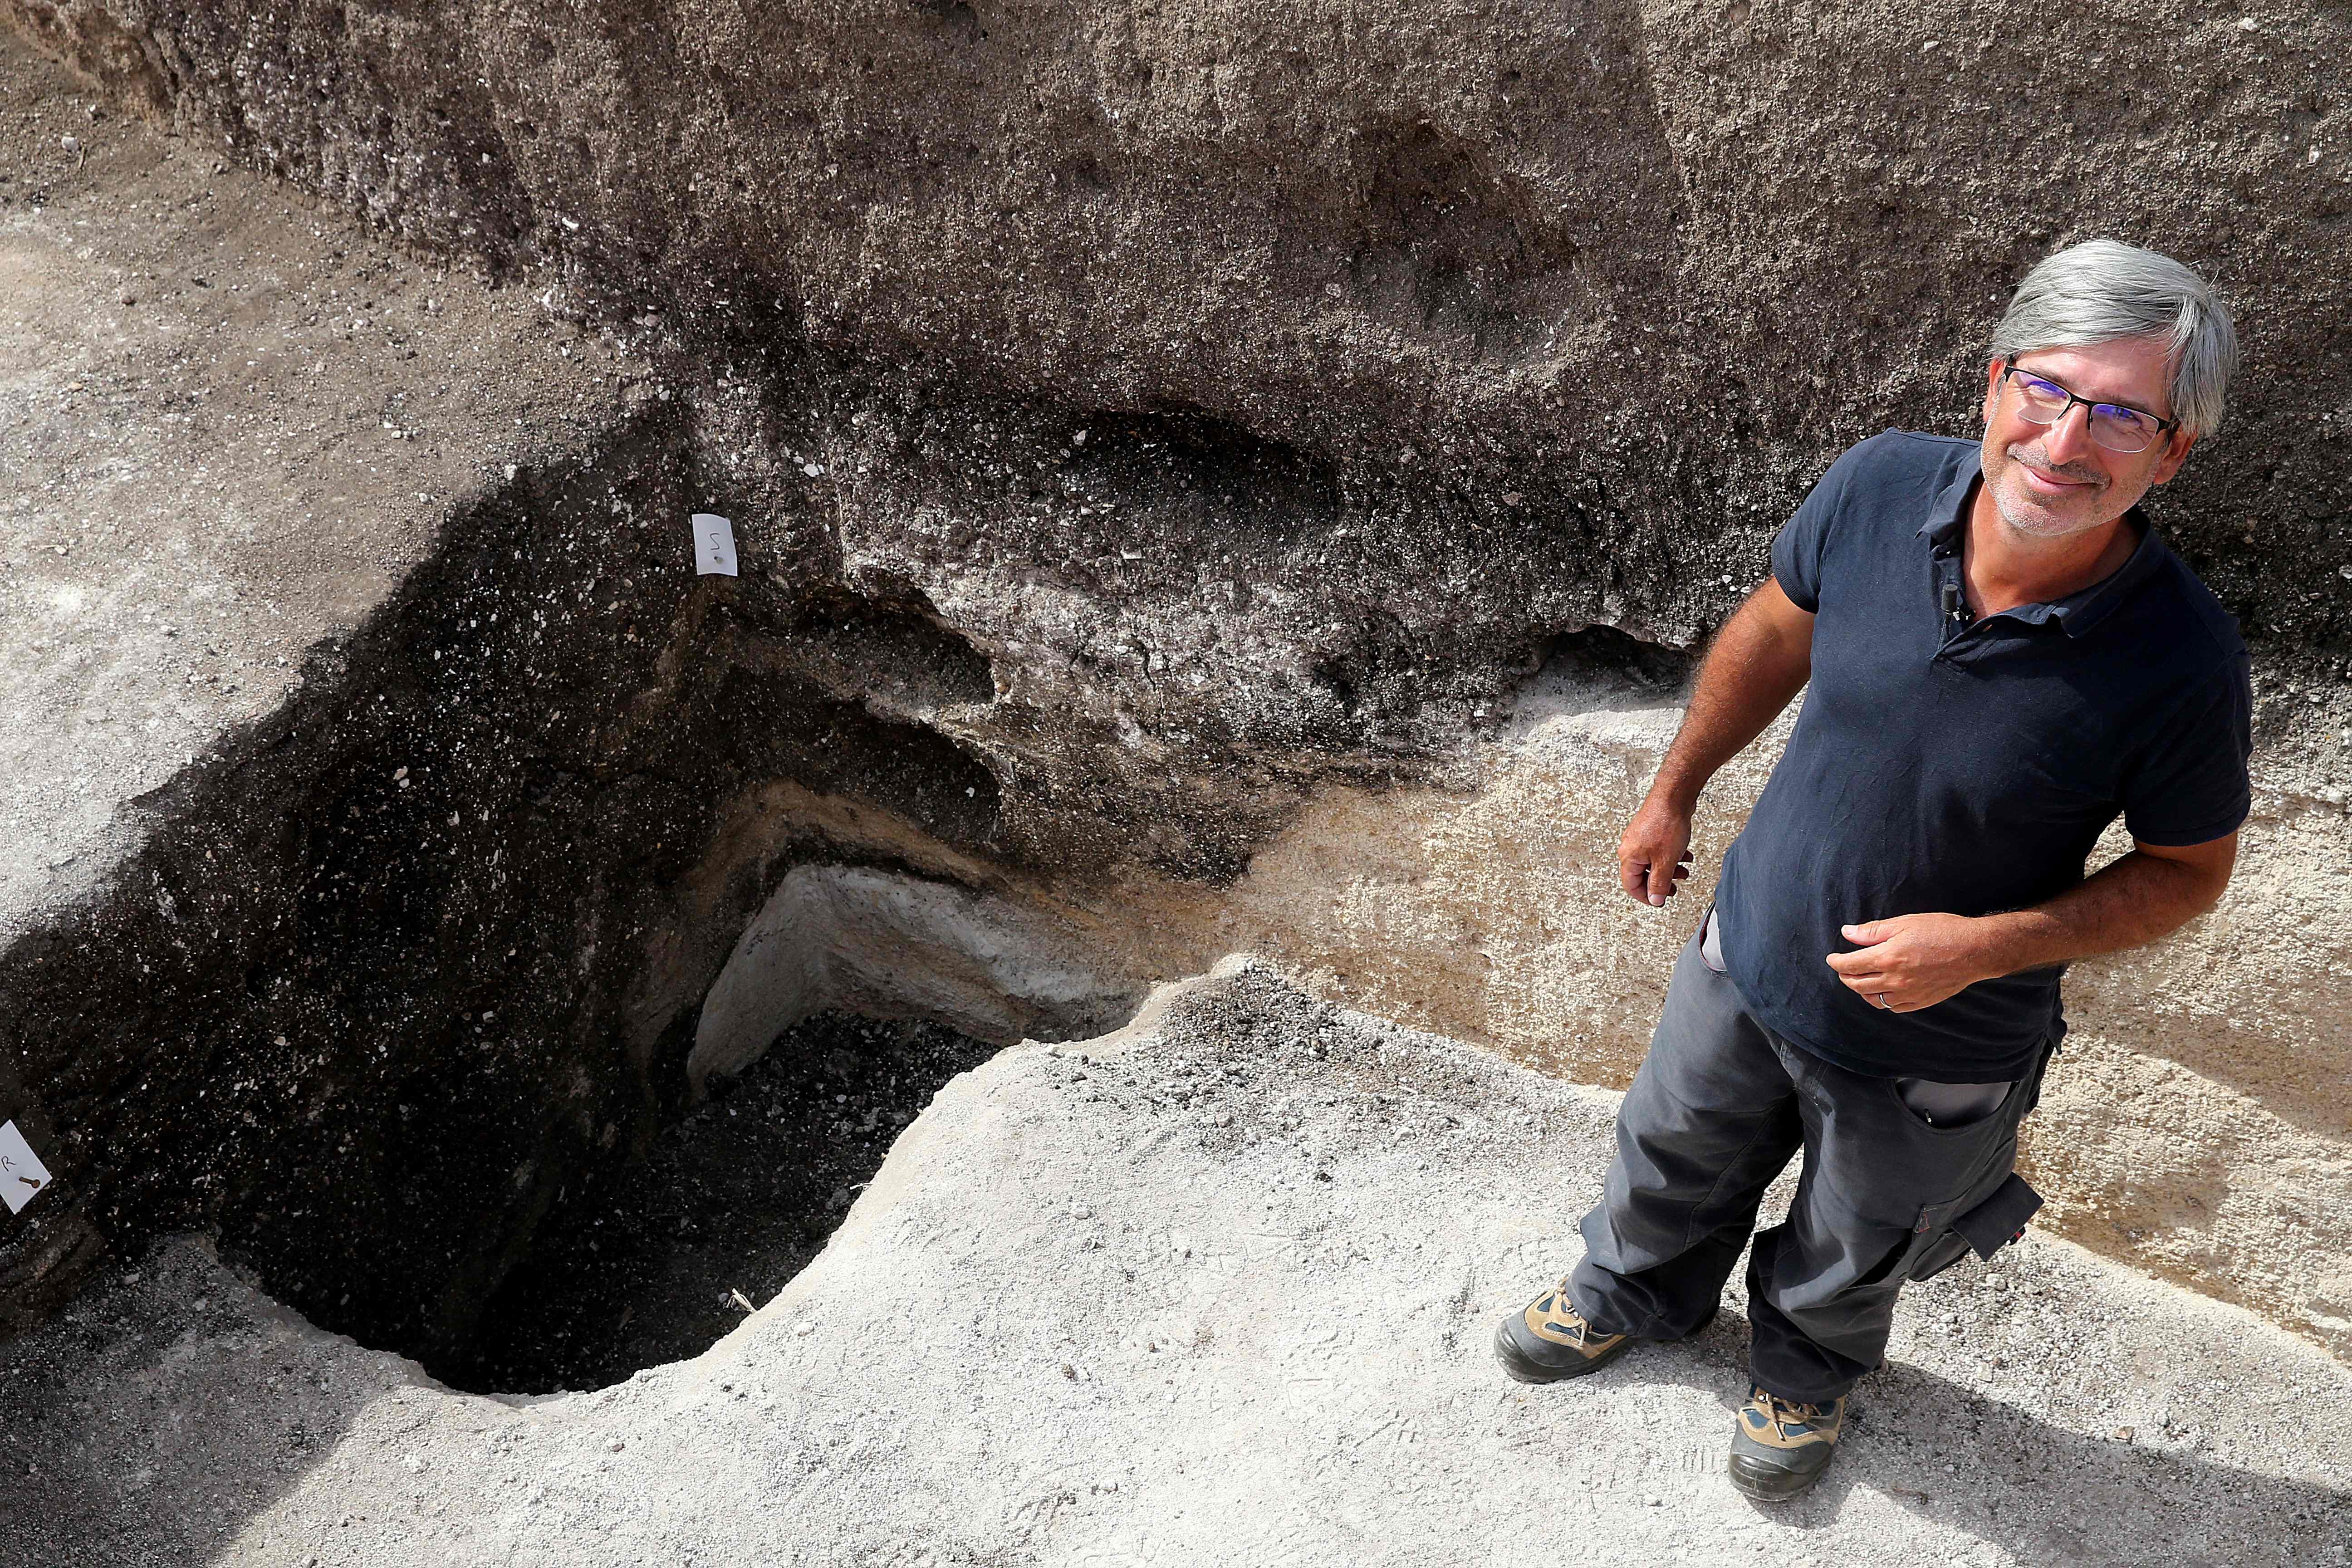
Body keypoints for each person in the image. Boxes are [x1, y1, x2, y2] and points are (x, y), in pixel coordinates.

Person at [1494, 240, 2252, 1503]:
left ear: (2171, 455)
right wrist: (1674, 788)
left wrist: (1988, 946)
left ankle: (1804, 1374)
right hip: (1750, 951)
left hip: (1943, 1042)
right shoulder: (1880, 483)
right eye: (2050, 390)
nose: (2069, 441)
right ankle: (1627, 1293)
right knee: (1670, 1150)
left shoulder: (2183, 660)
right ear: (1995, 382)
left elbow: (2186, 872)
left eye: (2125, 413)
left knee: (1858, 1241)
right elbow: (1772, 631)